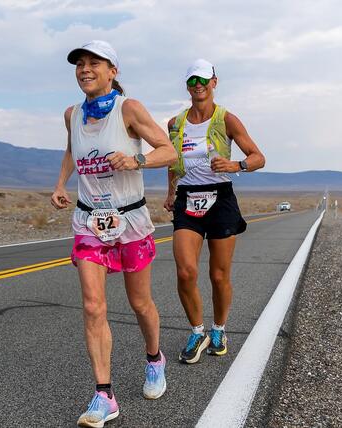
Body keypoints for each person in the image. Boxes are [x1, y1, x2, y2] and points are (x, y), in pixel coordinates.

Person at [51, 40, 177, 427]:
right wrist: (60, 184)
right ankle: (104, 394)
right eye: (80, 64)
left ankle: (154, 359)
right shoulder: (72, 113)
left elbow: (168, 151)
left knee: (140, 304)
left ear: (113, 71)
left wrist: (136, 158)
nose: (85, 69)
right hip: (89, 221)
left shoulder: (129, 109)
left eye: (94, 63)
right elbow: (72, 149)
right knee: (93, 306)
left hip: (130, 221)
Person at [164, 59, 265, 364]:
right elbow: (172, 160)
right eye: (192, 81)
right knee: (185, 271)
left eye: (203, 80)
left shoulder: (227, 119)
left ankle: (219, 328)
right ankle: (197, 331)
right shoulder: (175, 124)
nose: (198, 86)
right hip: (187, 199)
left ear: (214, 82)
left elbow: (258, 157)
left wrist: (236, 165)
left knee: (218, 275)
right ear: (187, 86)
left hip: (220, 199)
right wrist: (170, 192)